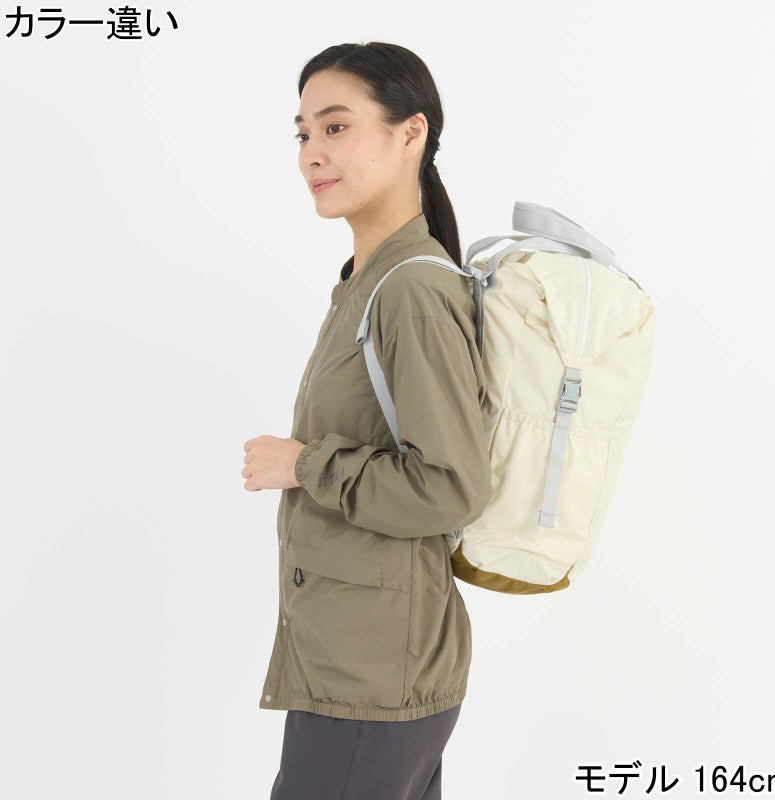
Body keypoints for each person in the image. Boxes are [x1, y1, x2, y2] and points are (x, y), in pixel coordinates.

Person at [241, 41, 492, 800]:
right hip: (355, 666)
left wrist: (302, 463)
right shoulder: (368, 281)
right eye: (303, 134)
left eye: (336, 127)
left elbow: (449, 487)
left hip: (373, 680)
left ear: (410, 133)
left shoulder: (411, 291)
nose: (312, 153)